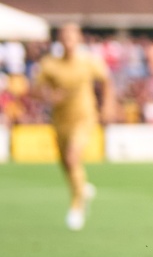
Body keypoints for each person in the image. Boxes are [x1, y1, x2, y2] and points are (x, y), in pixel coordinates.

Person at [31, 23, 115, 231]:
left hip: (84, 117)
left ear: (78, 39)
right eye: (65, 35)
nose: (68, 39)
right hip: (60, 120)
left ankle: (77, 205)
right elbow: (35, 91)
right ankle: (82, 187)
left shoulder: (88, 61)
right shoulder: (50, 64)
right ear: (60, 39)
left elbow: (106, 81)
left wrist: (107, 105)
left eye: (72, 35)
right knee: (67, 164)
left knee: (72, 157)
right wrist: (50, 96)